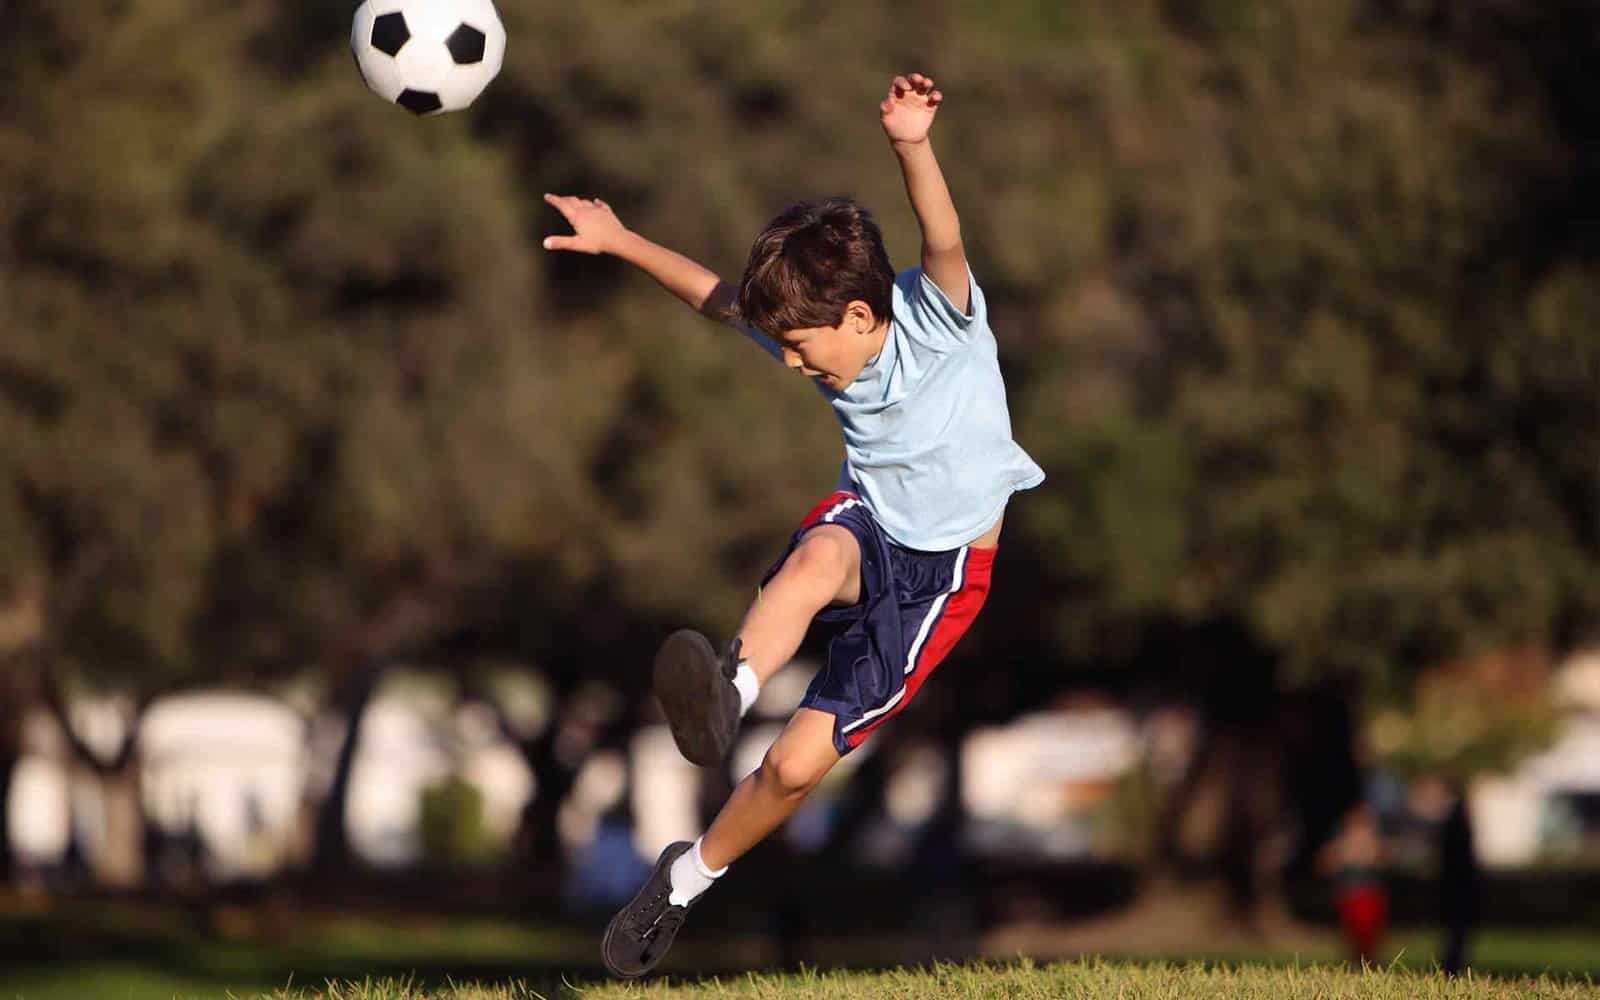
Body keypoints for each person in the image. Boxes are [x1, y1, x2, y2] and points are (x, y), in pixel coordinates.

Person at [542, 71, 1045, 978]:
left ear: (859, 315)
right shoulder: (816, 332)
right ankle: (726, 691)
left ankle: (683, 882)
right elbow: (710, 293)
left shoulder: (945, 317)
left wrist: (910, 144)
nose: (795, 366)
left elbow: (943, 233)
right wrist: (619, 241)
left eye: (807, 352)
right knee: (817, 556)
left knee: (792, 772)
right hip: (870, 526)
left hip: (943, 580)